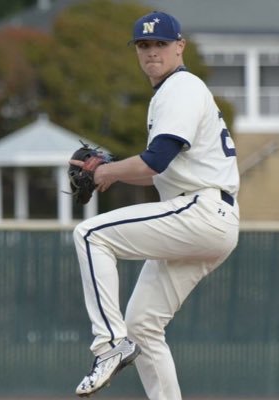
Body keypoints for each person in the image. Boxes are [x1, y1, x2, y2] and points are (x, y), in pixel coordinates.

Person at [71, 11, 240, 399]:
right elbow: (155, 172)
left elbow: (155, 159)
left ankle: (107, 345)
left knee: (90, 234)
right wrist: (112, 174)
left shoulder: (180, 88)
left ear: (179, 46)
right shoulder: (174, 92)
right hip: (208, 217)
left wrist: (104, 172)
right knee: (144, 326)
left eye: (160, 44)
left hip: (201, 211)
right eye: (144, 45)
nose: (151, 52)